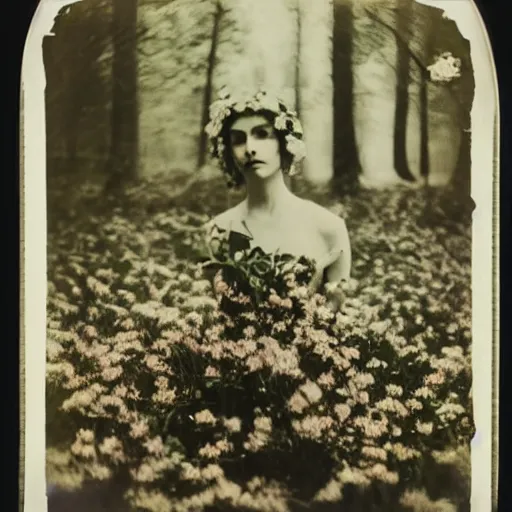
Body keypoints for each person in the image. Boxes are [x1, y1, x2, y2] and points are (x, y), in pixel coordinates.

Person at [203, 89, 351, 311]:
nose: (250, 149)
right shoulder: (218, 231)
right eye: (238, 140)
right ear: (229, 152)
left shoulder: (328, 228)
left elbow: (339, 322)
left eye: (262, 134)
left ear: (283, 143)